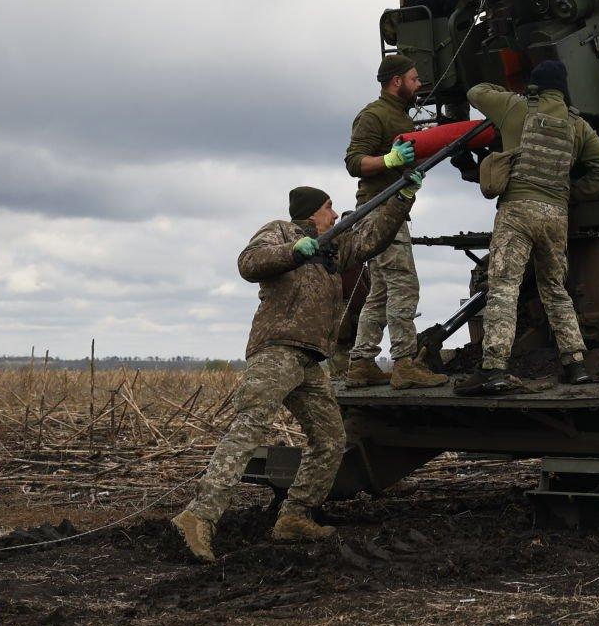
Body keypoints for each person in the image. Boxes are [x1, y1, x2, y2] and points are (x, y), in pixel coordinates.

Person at [170, 180, 417, 563]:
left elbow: (374, 238)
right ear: (310, 212)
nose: (335, 215)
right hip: (277, 352)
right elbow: (248, 263)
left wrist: (403, 195)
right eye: (329, 207)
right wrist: (293, 251)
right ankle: (198, 516)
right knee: (249, 429)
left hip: (310, 359)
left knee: (332, 438)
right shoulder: (280, 230)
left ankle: (295, 516)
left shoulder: (335, 246)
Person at [459, 60, 599, 395]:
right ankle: (576, 365)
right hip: (556, 214)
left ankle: (493, 369)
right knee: (555, 290)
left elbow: (475, 92)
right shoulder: (578, 125)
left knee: (503, 287)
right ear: (563, 88)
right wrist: (572, 193)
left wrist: (510, 92)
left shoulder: (515, 106)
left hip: (517, 210)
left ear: (535, 86)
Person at [341, 56, 446, 390]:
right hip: (379, 212)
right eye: (414, 79)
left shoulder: (400, 116)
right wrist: (388, 160)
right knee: (404, 285)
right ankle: (404, 364)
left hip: (392, 209)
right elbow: (354, 161)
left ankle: (361, 363)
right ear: (396, 81)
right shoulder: (373, 115)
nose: (419, 85)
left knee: (382, 293)